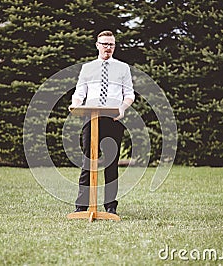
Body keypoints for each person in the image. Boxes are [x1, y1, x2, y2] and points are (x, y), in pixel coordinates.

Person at [69, 30, 135, 214]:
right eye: (105, 44)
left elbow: (129, 95)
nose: (108, 48)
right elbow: (79, 92)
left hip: (114, 119)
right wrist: (75, 104)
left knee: (111, 164)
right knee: (88, 162)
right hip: (91, 119)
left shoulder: (123, 68)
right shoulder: (87, 68)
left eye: (111, 44)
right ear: (97, 45)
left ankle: (110, 207)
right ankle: (81, 206)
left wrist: (122, 109)